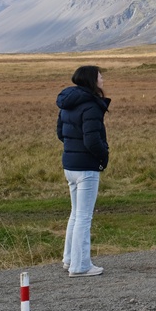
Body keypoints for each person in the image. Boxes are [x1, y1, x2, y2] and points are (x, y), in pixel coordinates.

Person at [57, 65, 110, 277]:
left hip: (70, 165)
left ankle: (70, 259)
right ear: (91, 80)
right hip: (86, 167)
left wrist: (73, 148)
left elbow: (60, 132)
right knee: (84, 217)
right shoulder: (91, 105)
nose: (102, 79)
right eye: (100, 76)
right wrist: (103, 156)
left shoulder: (67, 102)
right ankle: (81, 266)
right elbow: (92, 140)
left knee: (75, 214)